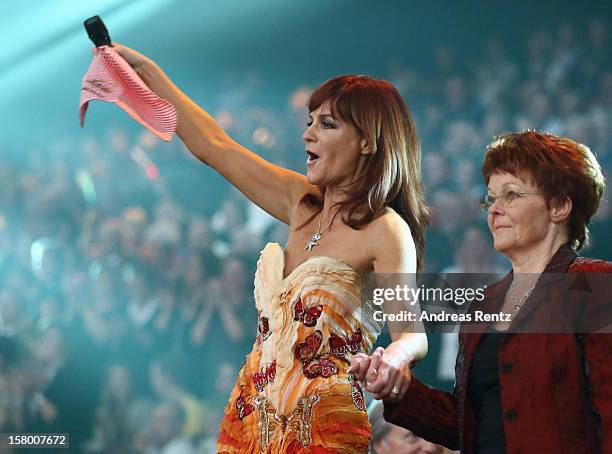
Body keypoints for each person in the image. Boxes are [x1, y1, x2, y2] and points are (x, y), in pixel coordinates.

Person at [107, 43, 430, 453]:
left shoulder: (386, 229)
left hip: (322, 429)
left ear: (367, 142)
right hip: (250, 420)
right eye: (310, 121)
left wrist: (394, 357)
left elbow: (413, 334)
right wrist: (149, 73)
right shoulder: (300, 202)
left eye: (327, 124)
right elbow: (215, 146)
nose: (307, 133)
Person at [352, 131, 612, 453]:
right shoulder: (485, 302)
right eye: (491, 198)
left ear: (559, 206)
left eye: (511, 195)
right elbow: (469, 423)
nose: (493, 210)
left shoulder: (594, 286)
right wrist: (397, 390)